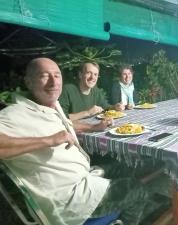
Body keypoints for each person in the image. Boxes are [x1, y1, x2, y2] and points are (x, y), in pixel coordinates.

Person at [0, 58, 149, 225]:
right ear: (28, 81)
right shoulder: (14, 114)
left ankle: (118, 212)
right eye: (44, 75)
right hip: (69, 199)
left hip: (82, 177)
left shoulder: (47, 107)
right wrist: (48, 140)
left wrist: (94, 128)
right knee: (139, 191)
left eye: (57, 75)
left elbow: (67, 124)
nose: (53, 81)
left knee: (126, 166)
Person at [59, 62, 125, 121]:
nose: (92, 77)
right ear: (80, 75)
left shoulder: (95, 90)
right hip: (73, 131)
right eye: (88, 73)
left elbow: (105, 107)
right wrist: (87, 113)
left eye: (95, 74)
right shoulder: (68, 90)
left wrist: (115, 107)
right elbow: (60, 118)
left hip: (91, 128)